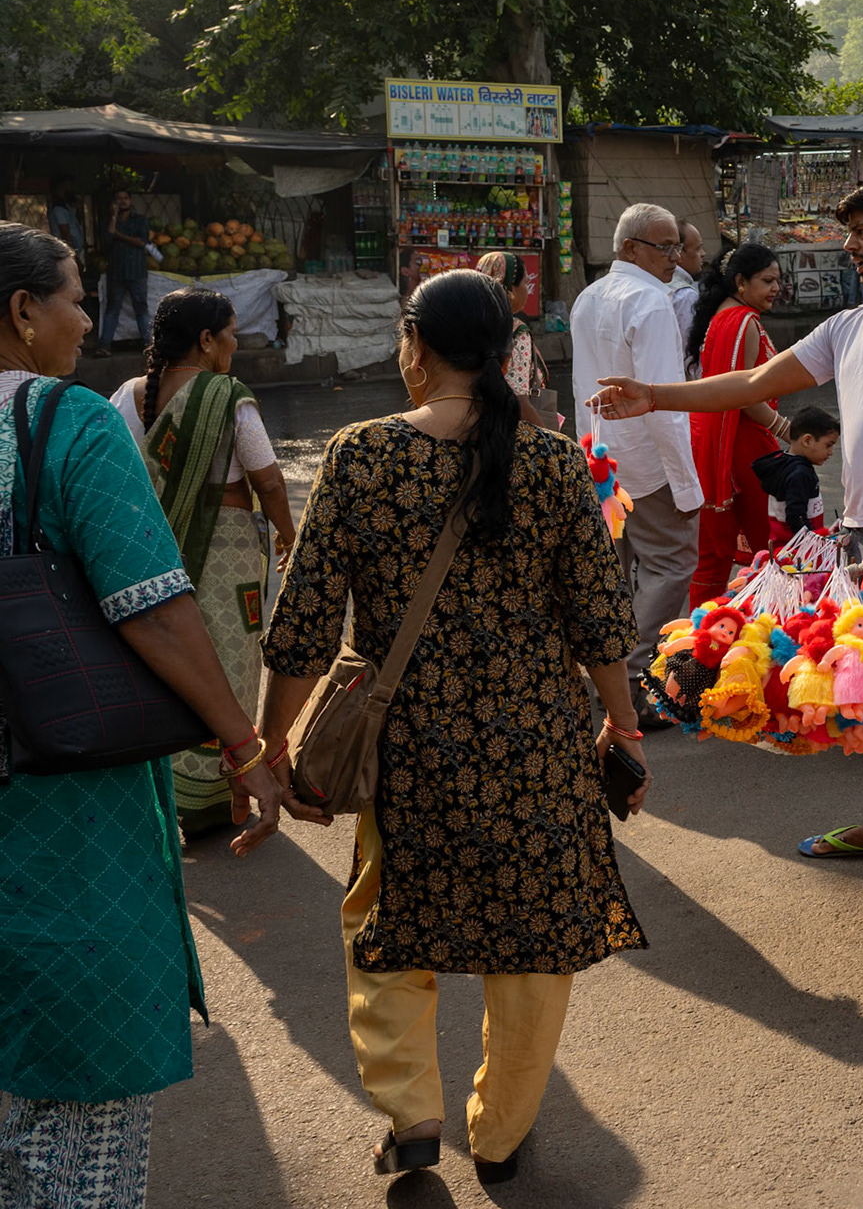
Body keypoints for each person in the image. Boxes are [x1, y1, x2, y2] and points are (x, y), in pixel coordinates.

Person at [259, 269, 650, 1185]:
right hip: (539, 743)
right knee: (533, 937)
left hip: (411, 751)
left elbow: (304, 627)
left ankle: (412, 1115)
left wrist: (271, 746)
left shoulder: (361, 456)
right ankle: (503, 1132)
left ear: (415, 347)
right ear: (503, 354)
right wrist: (622, 730)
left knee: (390, 923)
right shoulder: (553, 460)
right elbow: (601, 621)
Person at [589, 175, 863, 920]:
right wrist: (655, 394)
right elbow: (754, 379)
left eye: (862, 232)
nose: (850, 246)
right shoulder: (855, 323)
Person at [0, 222, 287, 1209]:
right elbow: (155, 607)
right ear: (23, 311)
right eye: (76, 298)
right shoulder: (64, 422)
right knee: (77, 1126)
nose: (87, 319)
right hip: (60, 809)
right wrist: (245, 745)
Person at [108, 287, 298, 837]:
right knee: (230, 667)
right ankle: (218, 793)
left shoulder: (129, 392)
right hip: (227, 556)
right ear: (206, 339)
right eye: (232, 333)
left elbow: (121, 476)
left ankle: (169, 791)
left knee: (169, 665)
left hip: (153, 552)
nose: (236, 344)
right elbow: (268, 480)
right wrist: (289, 538)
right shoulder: (227, 395)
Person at [568, 204, 700, 711]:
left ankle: (608, 671)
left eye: (676, 246)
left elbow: (585, 385)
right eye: (664, 247)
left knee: (617, 569)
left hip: (602, 457)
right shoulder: (650, 301)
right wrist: (687, 486)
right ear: (629, 249)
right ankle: (627, 677)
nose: (675, 257)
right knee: (670, 563)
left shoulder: (589, 297)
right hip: (646, 461)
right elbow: (662, 404)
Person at [684, 243, 788, 608]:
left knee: (713, 554)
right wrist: (785, 428)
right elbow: (742, 395)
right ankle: (767, 624)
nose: (776, 288)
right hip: (747, 445)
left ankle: (702, 636)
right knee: (773, 541)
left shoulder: (723, 315)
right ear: (741, 282)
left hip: (721, 441)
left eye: (778, 280)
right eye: (767, 280)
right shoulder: (744, 321)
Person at [753, 404, 839, 545]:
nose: (831, 452)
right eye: (828, 445)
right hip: (798, 552)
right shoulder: (799, 474)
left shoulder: (785, 464)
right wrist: (812, 543)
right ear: (807, 440)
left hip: (784, 545)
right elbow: (796, 515)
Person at [475, 251, 544, 424]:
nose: (527, 290)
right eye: (525, 282)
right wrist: (555, 443)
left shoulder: (465, 325)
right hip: (502, 432)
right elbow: (520, 402)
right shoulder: (516, 331)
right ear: (511, 288)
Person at [101, 190, 150, 348]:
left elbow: (142, 242)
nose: (122, 202)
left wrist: (119, 235)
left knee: (141, 309)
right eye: (118, 199)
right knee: (112, 309)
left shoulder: (140, 220)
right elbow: (107, 239)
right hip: (116, 272)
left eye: (125, 198)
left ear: (131, 200)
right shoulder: (110, 222)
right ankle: (104, 346)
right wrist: (113, 217)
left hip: (136, 272)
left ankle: (149, 344)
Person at [670, 219, 705, 353]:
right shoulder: (685, 295)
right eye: (697, 248)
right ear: (679, 252)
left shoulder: (655, 281)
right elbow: (689, 350)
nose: (703, 254)